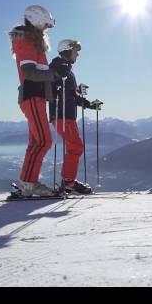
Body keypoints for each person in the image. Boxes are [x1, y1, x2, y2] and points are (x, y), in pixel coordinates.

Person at [8, 5, 62, 198]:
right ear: (36, 20)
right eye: (45, 25)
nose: (46, 29)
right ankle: (29, 184)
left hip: (36, 97)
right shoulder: (26, 42)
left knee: (36, 142)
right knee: (44, 140)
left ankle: (27, 182)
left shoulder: (33, 42)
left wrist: (54, 77)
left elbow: (39, 72)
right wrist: (53, 73)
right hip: (32, 96)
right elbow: (29, 72)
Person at [49, 39, 103, 194]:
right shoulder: (59, 67)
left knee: (75, 147)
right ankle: (68, 182)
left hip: (66, 115)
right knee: (76, 147)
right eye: (75, 51)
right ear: (67, 51)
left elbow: (72, 95)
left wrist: (90, 104)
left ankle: (68, 181)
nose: (78, 54)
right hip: (62, 115)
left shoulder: (66, 70)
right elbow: (60, 90)